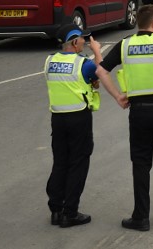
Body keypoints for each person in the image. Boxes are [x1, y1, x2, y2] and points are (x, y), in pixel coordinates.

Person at [96, 5, 153, 231]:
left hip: (138, 113)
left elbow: (101, 71)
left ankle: (141, 217)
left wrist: (118, 96)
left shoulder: (125, 44)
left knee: (141, 164)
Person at [45, 26, 103, 228]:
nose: (84, 43)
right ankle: (70, 213)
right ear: (74, 42)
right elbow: (99, 75)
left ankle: (56, 209)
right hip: (78, 117)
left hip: (58, 118)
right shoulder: (82, 64)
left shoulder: (50, 61)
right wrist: (97, 51)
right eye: (82, 40)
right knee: (78, 163)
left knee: (60, 162)